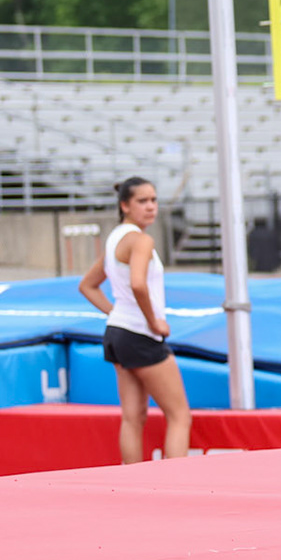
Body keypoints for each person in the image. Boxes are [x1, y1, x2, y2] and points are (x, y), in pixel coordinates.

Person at [77, 177, 189, 465]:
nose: (151, 207)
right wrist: (154, 322)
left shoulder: (115, 238)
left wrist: (115, 313)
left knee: (133, 417)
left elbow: (87, 285)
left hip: (118, 332)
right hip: (140, 333)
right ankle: (178, 483)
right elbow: (138, 284)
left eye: (154, 200)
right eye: (142, 201)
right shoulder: (141, 240)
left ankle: (133, 479)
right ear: (125, 205)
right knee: (179, 416)